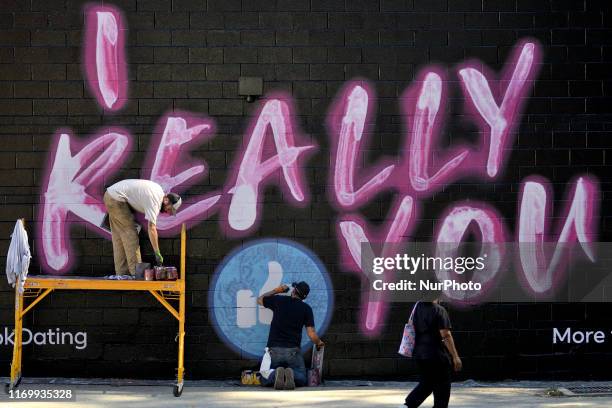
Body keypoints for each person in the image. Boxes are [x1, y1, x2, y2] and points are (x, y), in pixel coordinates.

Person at [103, 179, 181, 276]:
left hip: (111, 195)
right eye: (169, 209)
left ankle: (121, 275)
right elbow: (152, 228)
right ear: (166, 200)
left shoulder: (158, 192)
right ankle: (136, 275)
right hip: (117, 199)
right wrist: (157, 252)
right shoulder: (155, 202)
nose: (167, 212)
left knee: (119, 239)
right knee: (131, 236)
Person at [257, 281, 325, 390]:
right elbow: (311, 334)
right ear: (304, 297)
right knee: (302, 378)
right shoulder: (306, 309)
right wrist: (319, 342)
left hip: (274, 351)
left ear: (293, 291)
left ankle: (275, 375)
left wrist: (276, 290)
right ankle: (291, 374)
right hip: (293, 352)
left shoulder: (279, 300)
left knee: (264, 378)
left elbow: (259, 300)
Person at [404, 300, 462, 408]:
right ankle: (409, 405)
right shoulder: (439, 310)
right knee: (442, 389)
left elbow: (411, 324)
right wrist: (455, 357)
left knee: (427, 384)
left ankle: (408, 405)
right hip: (437, 355)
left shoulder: (417, 307)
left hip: (420, 354)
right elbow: (446, 335)